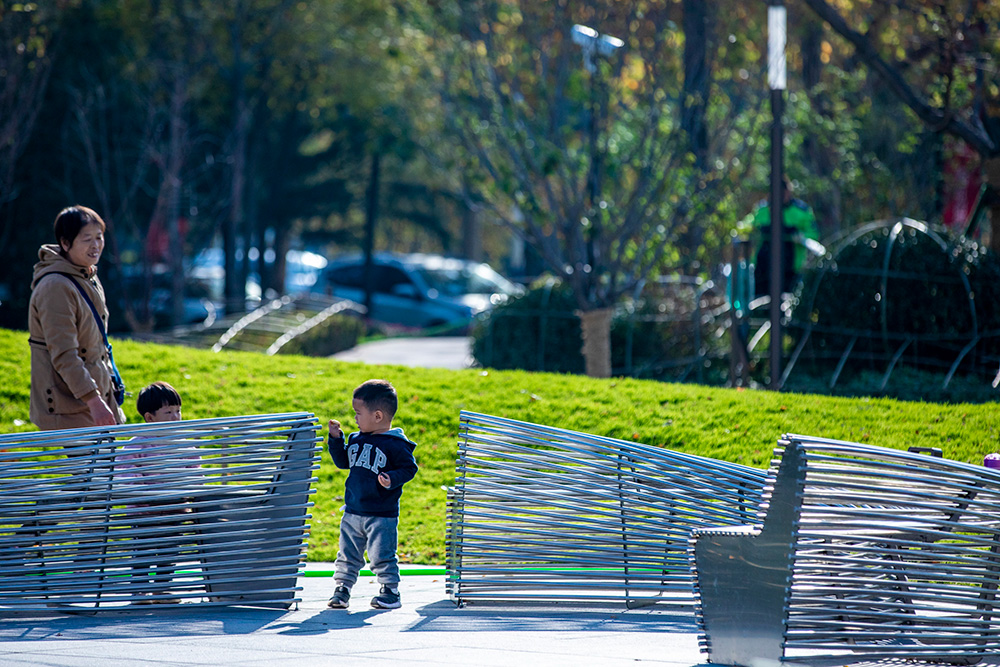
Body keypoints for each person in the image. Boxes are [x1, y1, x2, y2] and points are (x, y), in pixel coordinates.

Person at [28, 205, 125, 430]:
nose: (95, 245)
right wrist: (94, 400)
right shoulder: (56, 286)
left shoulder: (86, 274)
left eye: (99, 237)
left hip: (95, 404)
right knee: (88, 467)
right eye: (86, 239)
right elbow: (64, 354)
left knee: (107, 466)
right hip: (71, 409)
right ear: (65, 243)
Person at [326, 379, 418, 610]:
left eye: (358, 413)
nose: (355, 418)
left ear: (378, 416)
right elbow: (343, 462)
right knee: (347, 555)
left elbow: (410, 468)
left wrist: (392, 479)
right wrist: (337, 440)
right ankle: (342, 590)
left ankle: (390, 591)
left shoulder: (396, 444)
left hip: (382, 515)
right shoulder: (357, 439)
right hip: (353, 511)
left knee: (382, 556)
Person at [117, 381, 192, 604]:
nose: (175, 417)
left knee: (169, 551)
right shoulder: (138, 444)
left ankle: (162, 588)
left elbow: (193, 467)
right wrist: (144, 495)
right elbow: (126, 469)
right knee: (144, 550)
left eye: (178, 411)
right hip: (145, 510)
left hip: (174, 506)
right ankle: (139, 591)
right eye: (168, 412)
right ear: (150, 418)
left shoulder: (183, 442)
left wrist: (191, 491)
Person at [742, 177, 820, 297]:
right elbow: (745, 226)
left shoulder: (802, 211)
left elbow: (813, 234)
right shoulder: (762, 209)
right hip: (763, 268)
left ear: (788, 192)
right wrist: (749, 231)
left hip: (790, 269)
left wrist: (801, 237)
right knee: (759, 301)